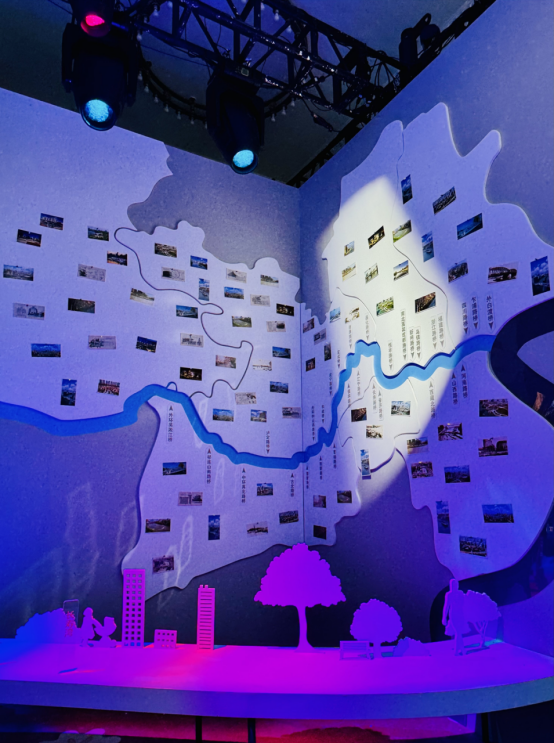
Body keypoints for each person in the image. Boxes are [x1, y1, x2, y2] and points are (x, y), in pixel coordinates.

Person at [442, 578, 468, 655]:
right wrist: (444, 617)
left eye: (456, 584)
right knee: (458, 632)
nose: (455, 586)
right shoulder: (449, 594)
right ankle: (460, 650)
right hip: (453, 615)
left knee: (458, 632)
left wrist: (466, 615)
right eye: (453, 585)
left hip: (460, 614)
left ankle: (458, 650)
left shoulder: (460, 593)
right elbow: (446, 606)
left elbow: (464, 605)